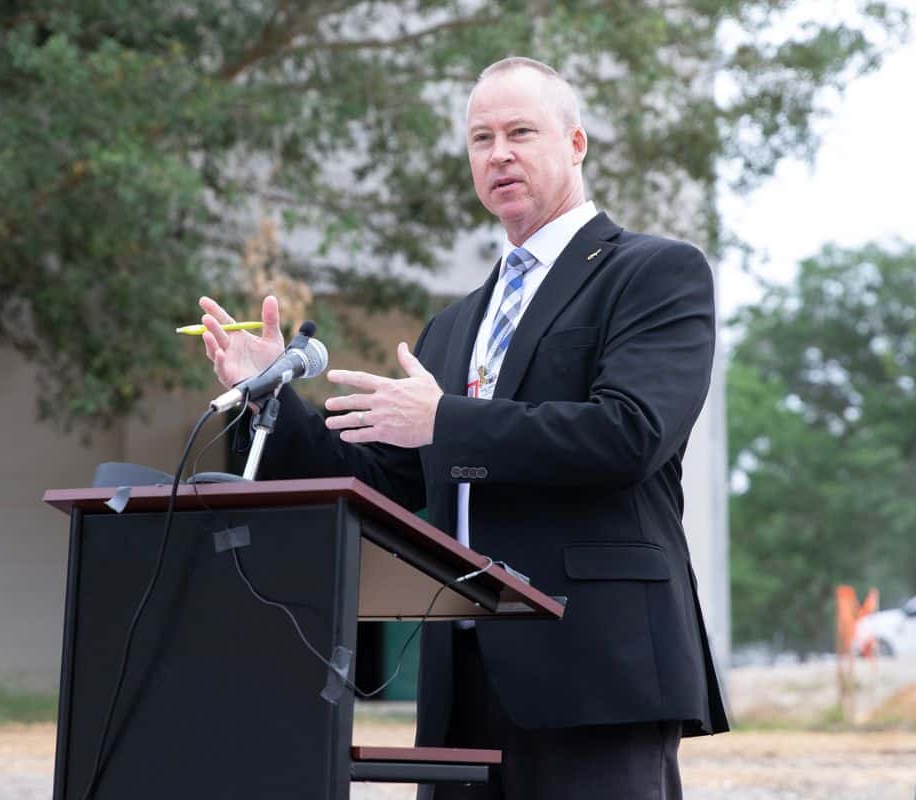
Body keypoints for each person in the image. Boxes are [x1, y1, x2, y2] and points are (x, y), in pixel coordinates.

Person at [198, 56, 728, 800]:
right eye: (481, 139)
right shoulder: (455, 326)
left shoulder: (653, 273)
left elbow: (630, 434)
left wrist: (445, 417)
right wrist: (268, 396)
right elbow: (376, 475)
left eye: (520, 132)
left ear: (575, 144)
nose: (499, 154)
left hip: (596, 662)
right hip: (463, 670)